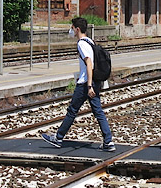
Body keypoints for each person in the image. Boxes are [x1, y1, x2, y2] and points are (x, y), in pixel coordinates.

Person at [41, 17, 115, 152]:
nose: (71, 30)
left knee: (72, 111)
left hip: (85, 85)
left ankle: (58, 138)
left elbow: (89, 64)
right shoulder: (90, 41)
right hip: (93, 82)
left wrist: (89, 85)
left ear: (77, 29)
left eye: (72, 28)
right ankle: (108, 141)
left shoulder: (81, 43)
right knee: (98, 111)